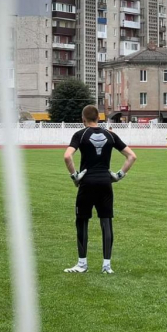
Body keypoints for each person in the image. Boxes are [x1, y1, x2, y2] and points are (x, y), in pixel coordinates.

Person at [63, 105, 137, 274]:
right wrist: (118, 175)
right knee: (106, 221)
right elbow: (132, 156)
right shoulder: (110, 135)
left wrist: (75, 175)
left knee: (82, 221)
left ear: (83, 119)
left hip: (87, 182)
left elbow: (67, 156)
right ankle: (107, 266)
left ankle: (82, 264)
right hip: (105, 182)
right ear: (99, 118)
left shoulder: (80, 134)